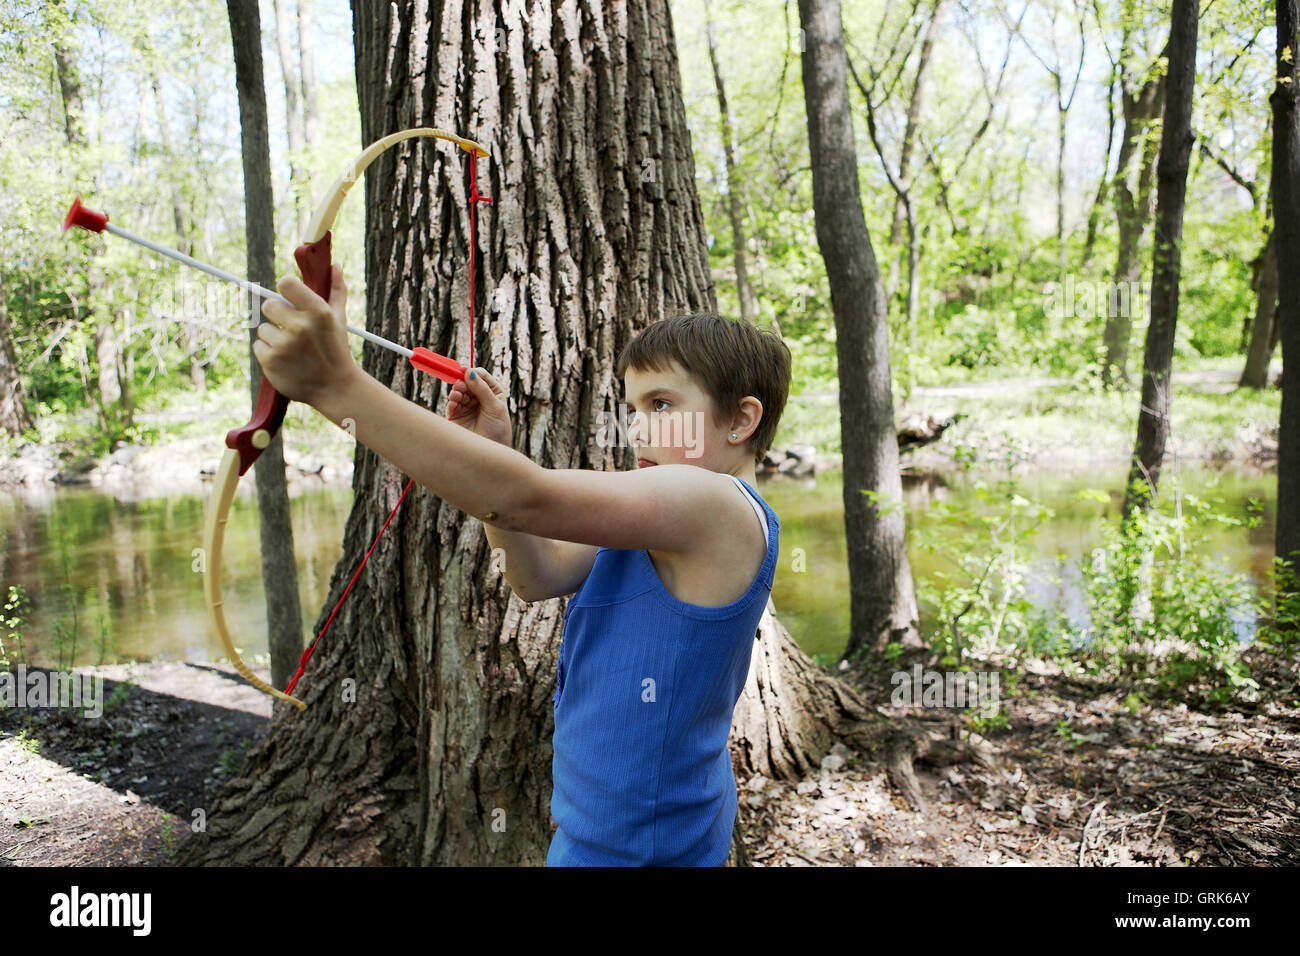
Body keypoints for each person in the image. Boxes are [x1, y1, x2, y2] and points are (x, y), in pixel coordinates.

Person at [256, 264, 791, 866]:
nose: (636, 428)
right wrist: (489, 453)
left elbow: (523, 499)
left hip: (645, 850)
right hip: (605, 835)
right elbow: (536, 576)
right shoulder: (662, 516)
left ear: (741, 420)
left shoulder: (716, 508)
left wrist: (336, 385)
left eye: (661, 404)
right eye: (632, 407)